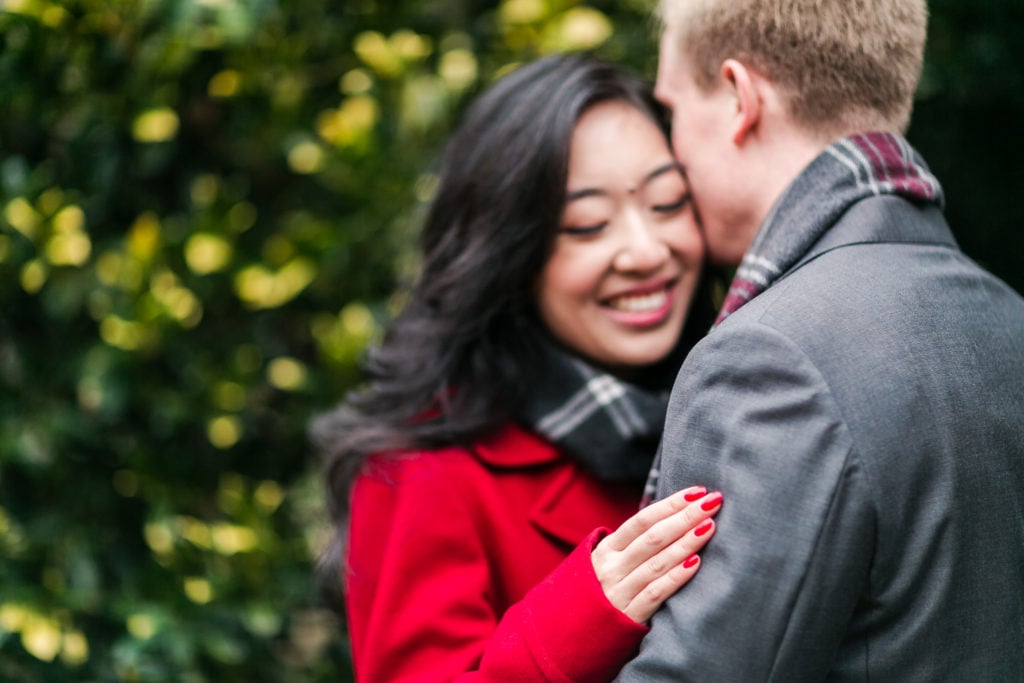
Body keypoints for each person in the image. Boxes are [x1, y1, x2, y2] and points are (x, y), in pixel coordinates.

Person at [616, 0, 1024, 680]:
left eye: (673, 112)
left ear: (739, 99)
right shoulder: (1008, 316)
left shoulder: (770, 357)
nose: (673, 151)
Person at [314, 53, 724, 681]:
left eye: (668, 204)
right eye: (587, 225)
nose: (646, 252)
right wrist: (588, 612)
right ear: (510, 250)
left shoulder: (734, 407)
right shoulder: (421, 472)